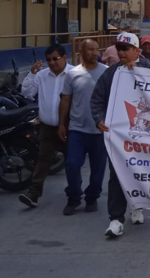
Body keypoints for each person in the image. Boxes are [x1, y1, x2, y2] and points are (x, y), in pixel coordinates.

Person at [91, 32, 150, 238]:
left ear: (136, 51)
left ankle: (137, 205)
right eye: (118, 48)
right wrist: (98, 118)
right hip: (119, 136)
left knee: (139, 172)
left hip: (144, 134)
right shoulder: (111, 73)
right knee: (117, 174)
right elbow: (97, 100)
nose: (120, 52)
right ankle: (115, 219)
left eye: (125, 48)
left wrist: (138, 73)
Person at [19, 44, 74, 208]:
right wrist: (32, 73)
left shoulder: (74, 74)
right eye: (49, 59)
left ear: (64, 58)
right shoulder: (42, 75)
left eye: (55, 59)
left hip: (69, 127)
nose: (52, 62)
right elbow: (27, 93)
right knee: (43, 159)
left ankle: (74, 193)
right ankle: (33, 193)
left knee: (72, 161)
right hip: (47, 126)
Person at [58, 39, 108, 216]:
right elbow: (65, 99)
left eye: (97, 49)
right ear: (81, 52)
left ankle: (92, 198)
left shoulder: (106, 73)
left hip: (99, 131)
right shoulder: (73, 74)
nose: (95, 53)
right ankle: (73, 197)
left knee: (98, 168)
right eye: (91, 50)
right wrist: (62, 124)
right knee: (72, 164)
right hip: (77, 128)